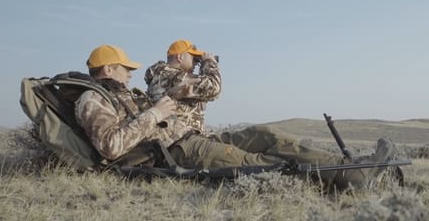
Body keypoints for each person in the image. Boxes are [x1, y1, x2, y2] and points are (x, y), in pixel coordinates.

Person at [145, 39, 395, 191]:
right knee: (254, 160)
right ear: (179, 57)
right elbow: (213, 87)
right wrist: (210, 62)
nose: (198, 61)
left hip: (201, 139)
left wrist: (202, 64)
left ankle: (348, 167)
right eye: (194, 57)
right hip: (181, 147)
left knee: (268, 136)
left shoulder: (179, 77)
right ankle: (350, 177)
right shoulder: (164, 75)